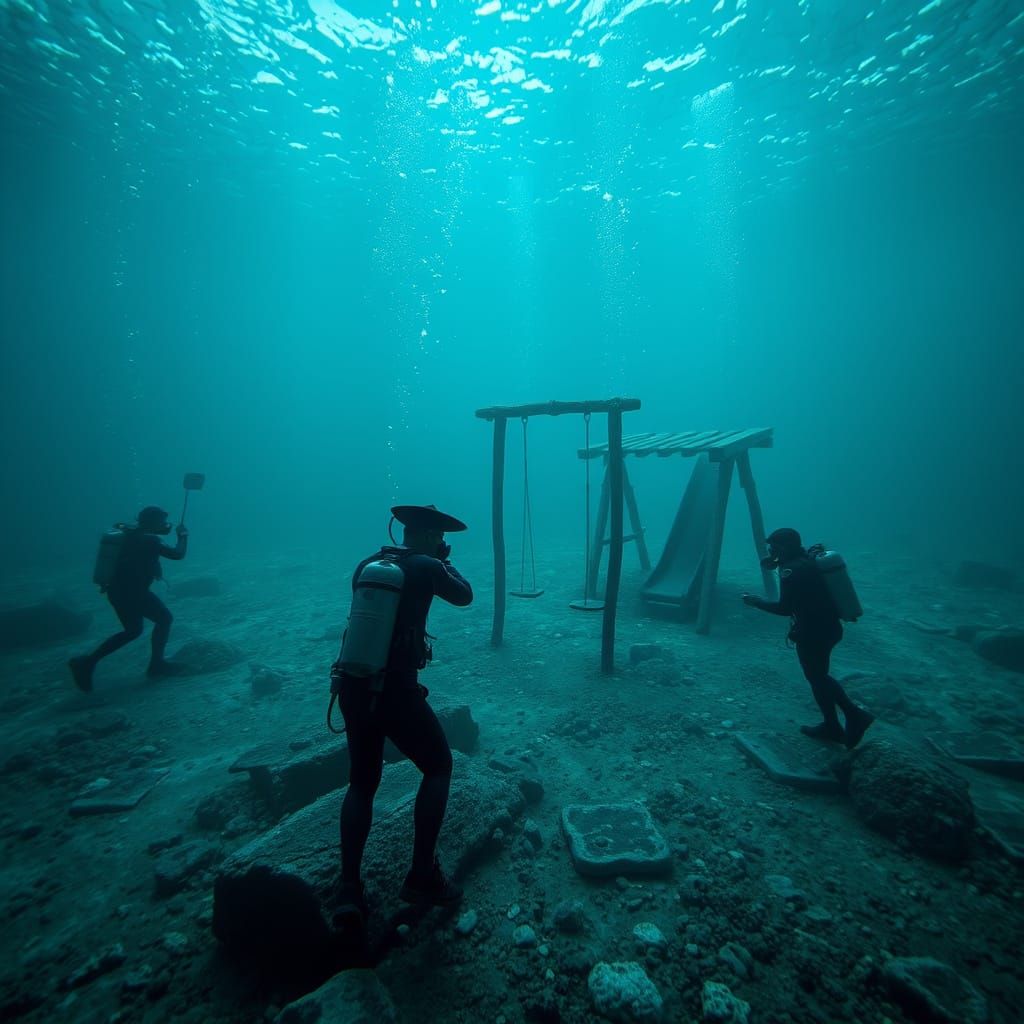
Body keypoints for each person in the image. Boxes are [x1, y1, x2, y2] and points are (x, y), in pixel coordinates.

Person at [334, 504, 473, 925]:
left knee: (362, 782)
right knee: (438, 766)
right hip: (396, 691)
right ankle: (421, 875)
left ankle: (349, 888)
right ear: (432, 536)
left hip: (353, 686)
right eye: (441, 537)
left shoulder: (369, 564)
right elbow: (465, 595)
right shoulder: (429, 566)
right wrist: (442, 560)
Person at [742, 527, 873, 749]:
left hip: (814, 633)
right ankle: (832, 725)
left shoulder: (791, 571)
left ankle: (854, 715)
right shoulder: (806, 561)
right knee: (817, 677)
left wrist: (757, 602)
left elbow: (784, 608)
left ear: (785, 548)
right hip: (828, 628)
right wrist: (775, 561)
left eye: (775, 547)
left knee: (818, 677)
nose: (772, 551)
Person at [68, 506, 189, 692]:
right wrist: (183, 535)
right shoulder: (150, 540)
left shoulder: (127, 533)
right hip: (134, 592)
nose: (165, 525)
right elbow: (177, 554)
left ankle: (87, 662)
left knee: (133, 630)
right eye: (161, 522)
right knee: (164, 619)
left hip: (116, 591)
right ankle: (157, 665)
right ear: (152, 522)